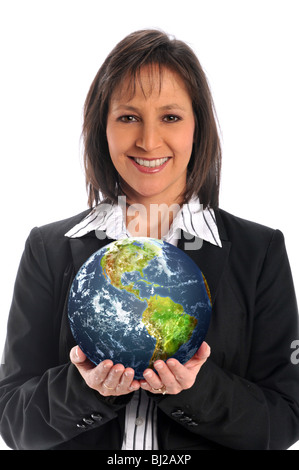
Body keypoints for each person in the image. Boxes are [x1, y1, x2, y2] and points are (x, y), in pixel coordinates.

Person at [0, 29, 299, 451]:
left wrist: (195, 389)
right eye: (128, 117)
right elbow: (13, 421)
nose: (149, 141)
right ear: (101, 127)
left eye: (171, 117)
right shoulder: (48, 249)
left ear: (198, 126)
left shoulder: (260, 252)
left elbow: (284, 421)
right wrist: (86, 389)